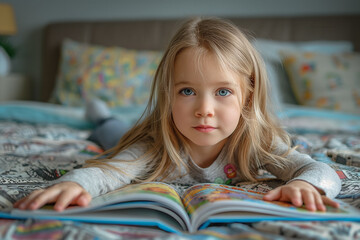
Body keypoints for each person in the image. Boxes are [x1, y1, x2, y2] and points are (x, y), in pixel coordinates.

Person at [14, 17, 341, 213]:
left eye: (223, 92)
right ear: (168, 93)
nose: (204, 109)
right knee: (111, 133)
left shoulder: (256, 144)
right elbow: (107, 172)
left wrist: (305, 184)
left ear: (249, 95)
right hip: (135, 137)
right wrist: (74, 183)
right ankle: (100, 114)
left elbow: (318, 170)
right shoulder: (153, 146)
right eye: (187, 91)